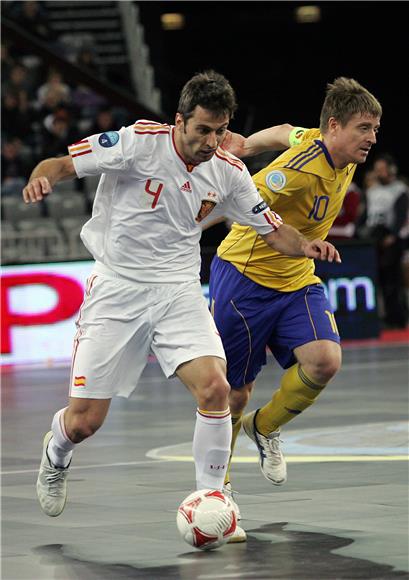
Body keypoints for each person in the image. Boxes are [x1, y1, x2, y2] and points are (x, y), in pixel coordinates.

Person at [22, 71, 339, 537]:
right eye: (202, 130)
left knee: (216, 387)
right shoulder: (136, 143)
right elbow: (60, 164)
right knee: (85, 421)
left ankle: (213, 498)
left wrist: (306, 245)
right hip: (117, 289)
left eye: (219, 131)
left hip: (178, 291)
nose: (211, 142)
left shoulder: (229, 172)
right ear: (179, 121)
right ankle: (57, 453)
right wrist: (39, 181)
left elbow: (274, 230)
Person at [210, 77, 382, 541]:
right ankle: (217, 491)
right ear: (334, 125)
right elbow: (236, 201)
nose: (372, 138)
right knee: (235, 392)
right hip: (244, 277)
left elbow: (287, 129)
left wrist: (245, 143)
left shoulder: (330, 147)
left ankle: (264, 429)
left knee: (325, 360)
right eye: (364, 128)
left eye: (375, 129)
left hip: (295, 278)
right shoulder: (297, 171)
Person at [362, 154, 409, 328]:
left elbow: (401, 215)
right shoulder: (372, 190)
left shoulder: (399, 190)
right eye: (377, 170)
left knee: (393, 281)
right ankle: (383, 316)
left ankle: (398, 317)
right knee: (378, 280)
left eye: (382, 169)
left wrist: (393, 236)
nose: (379, 173)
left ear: (391, 169)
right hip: (374, 238)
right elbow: (365, 214)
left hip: (391, 239)